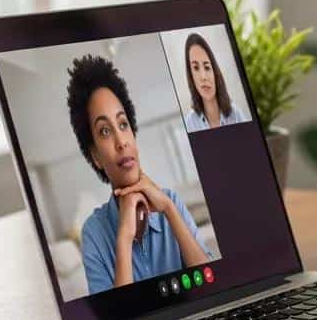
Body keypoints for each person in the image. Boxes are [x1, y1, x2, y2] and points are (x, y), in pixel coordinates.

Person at [69, 54, 212, 294]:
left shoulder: (172, 202)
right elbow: (116, 319)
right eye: (105, 131)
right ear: (95, 156)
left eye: (123, 125)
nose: (121, 141)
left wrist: (168, 209)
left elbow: (212, 283)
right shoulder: (93, 233)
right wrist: (124, 237)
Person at [182, 32, 249, 132]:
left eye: (207, 67)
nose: (203, 77)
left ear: (215, 72)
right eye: (196, 68)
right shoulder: (189, 124)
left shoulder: (235, 114)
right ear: (191, 76)